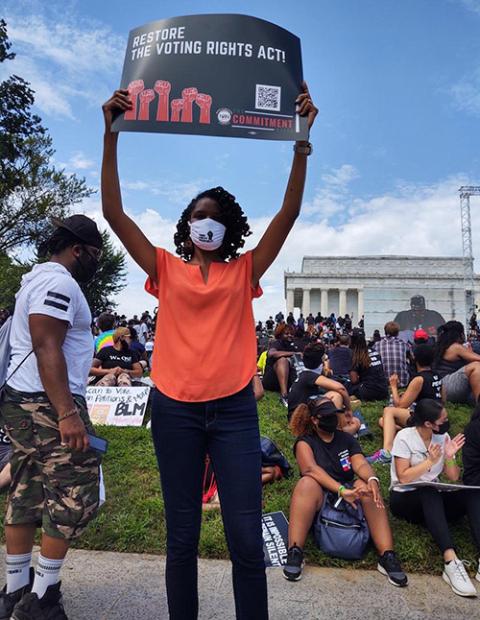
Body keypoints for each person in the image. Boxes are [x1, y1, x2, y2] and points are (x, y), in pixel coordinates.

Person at [101, 83, 317, 619]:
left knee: (245, 537)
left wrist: (301, 142)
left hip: (235, 413)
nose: (208, 222)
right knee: (182, 539)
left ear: (229, 228)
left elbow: (287, 215)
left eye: (217, 215)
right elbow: (113, 212)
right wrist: (111, 135)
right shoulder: (164, 269)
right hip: (174, 410)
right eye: (200, 213)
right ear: (188, 224)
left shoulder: (245, 270)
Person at [0, 215, 103, 619]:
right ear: (77, 250)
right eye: (94, 254)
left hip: (24, 402)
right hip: (47, 404)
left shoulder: (34, 280)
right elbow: (47, 345)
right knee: (75, 494)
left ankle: (16, 588)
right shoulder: (59, 283)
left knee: (26, 491)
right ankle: (42, 599)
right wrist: (66, 413)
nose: (96, 262)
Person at [283, 397, 407, 586]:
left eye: (335, 415)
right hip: (321, 492)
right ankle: (295, 550)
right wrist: (340, 489)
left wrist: (371, 479)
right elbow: (310, 469)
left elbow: (359, 462)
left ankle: (387, 555)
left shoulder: (346, 439)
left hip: (347, 487)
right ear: (315, 420)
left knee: (367, 488)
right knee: (306, 484)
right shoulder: (305, 442)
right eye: (328, 416)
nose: (333, 419)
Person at [389, 399, 476, 597]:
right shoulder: (404, 437)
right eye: (442, 420)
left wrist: (450, 456)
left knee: (468, 493)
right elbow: (403, 476)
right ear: (428, 423)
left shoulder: (441, 436)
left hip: (432, 497)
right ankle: (451, 560)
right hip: (404, 498)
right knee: (428, 490)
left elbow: (453, 477)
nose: (446, 422)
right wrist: (429, 461)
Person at [368, 344, 444, 465]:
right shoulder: (437, 376)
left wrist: (393, 386)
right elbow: (442, 399)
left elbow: (400, 406)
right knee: (383, 421)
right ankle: (411, 436)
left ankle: (387, 452)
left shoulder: (419, 379)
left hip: (425, 420)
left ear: (415, 359)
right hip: (437, 418)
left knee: (389, 411)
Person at [287, 343, 359, 435]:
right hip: (302, 423)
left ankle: (339, 426)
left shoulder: (303, 374)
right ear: (322, 362)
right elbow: (341, 388)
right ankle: (339, 429)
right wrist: (349, 410)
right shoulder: (310, 376)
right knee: (336, 396)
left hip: (296, 418)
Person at [434, 320, 480, 404]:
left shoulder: (443, 346)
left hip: (443, 387)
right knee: (476, 366)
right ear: (460, 334)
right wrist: (470, 352)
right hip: (447, 385)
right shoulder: (456, 347)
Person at [262, 323, 300, 407]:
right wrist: (293, 353)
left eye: (291, 334)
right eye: (286, 334)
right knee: (283, 361)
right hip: (271, 380)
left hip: (287, 379)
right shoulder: (276, 343)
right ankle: (284, 396)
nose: (290, 335)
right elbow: (272, 354)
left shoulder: (292, 346)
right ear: (280, 335)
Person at [348, 330, 389, 401]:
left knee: (347, 385)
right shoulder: (374, 351)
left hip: (368, 392)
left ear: (352, 341)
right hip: (384, 390)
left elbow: (354, 380)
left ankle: (355, 397)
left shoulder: (356, 355)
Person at [374, 321, 409, 387]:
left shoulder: (377, 345)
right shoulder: (403, 344)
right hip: (402, 382)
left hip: (382, 383)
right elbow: (411, 357)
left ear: (385, 332)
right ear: (398, 333)